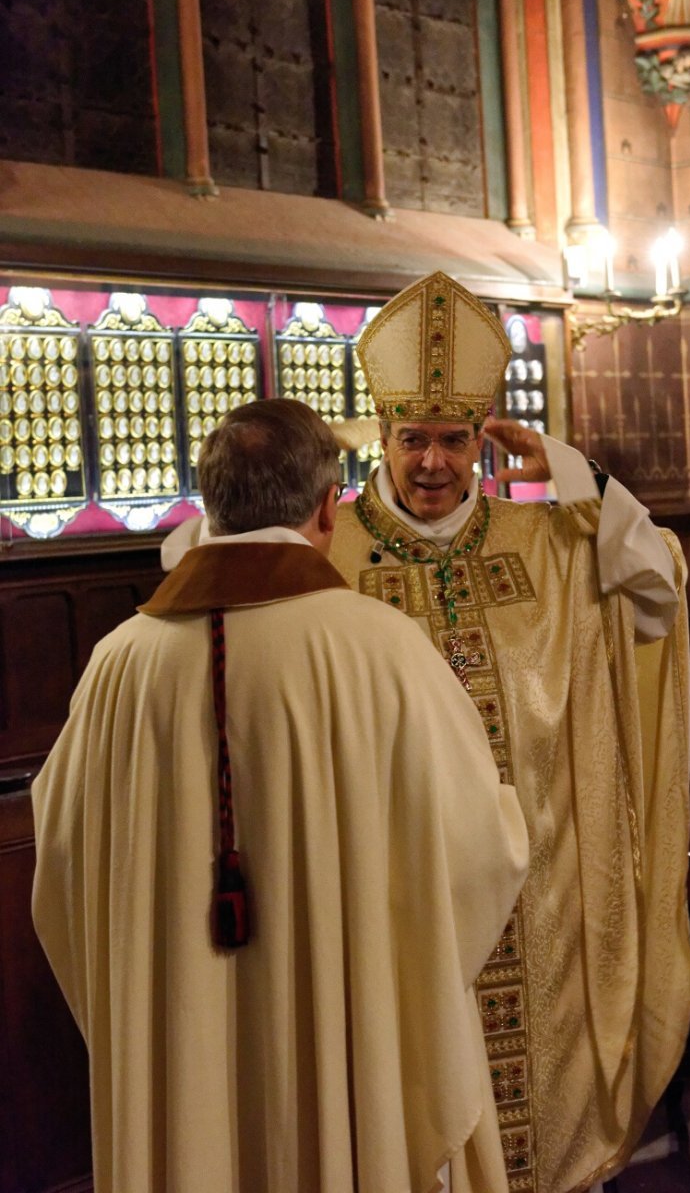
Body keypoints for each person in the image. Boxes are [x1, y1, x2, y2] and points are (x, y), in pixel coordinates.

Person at [31, 398, 530, 1193]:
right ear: (329, 506)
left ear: (209, 506)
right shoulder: (382, 650)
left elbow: (61, 863)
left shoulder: (118, 664)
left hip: (179, 1046)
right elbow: (478, 850)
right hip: (346, 1048)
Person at [327, 271, 690, 1193]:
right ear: (383, 435)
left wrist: (570, 470)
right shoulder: (322, 554)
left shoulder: (546, 545)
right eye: (413, 439)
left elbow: (656, 591)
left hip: (543, 905)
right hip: (392, 899)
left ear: (482, 439)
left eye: (454, 440)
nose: (434, 464)